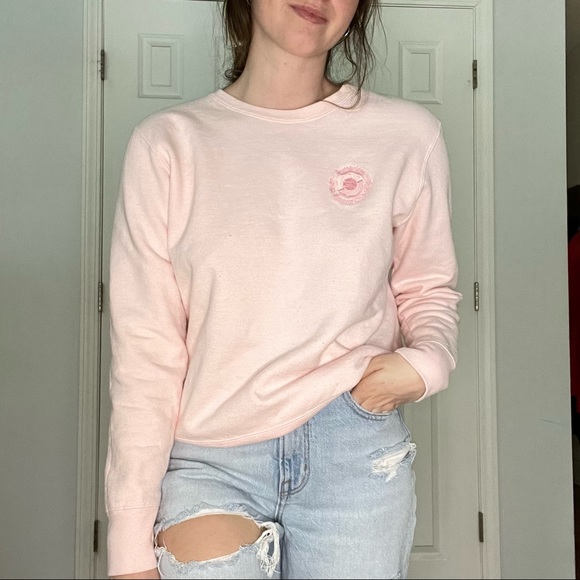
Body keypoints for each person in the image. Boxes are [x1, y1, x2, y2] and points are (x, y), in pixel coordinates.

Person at [105, 1, 462, 578]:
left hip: (353, 446)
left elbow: (428, 285)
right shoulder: (168, 145)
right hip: (211, 456)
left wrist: (429, 363)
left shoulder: (406, 135)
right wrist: (128, 543)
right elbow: (146, 349)